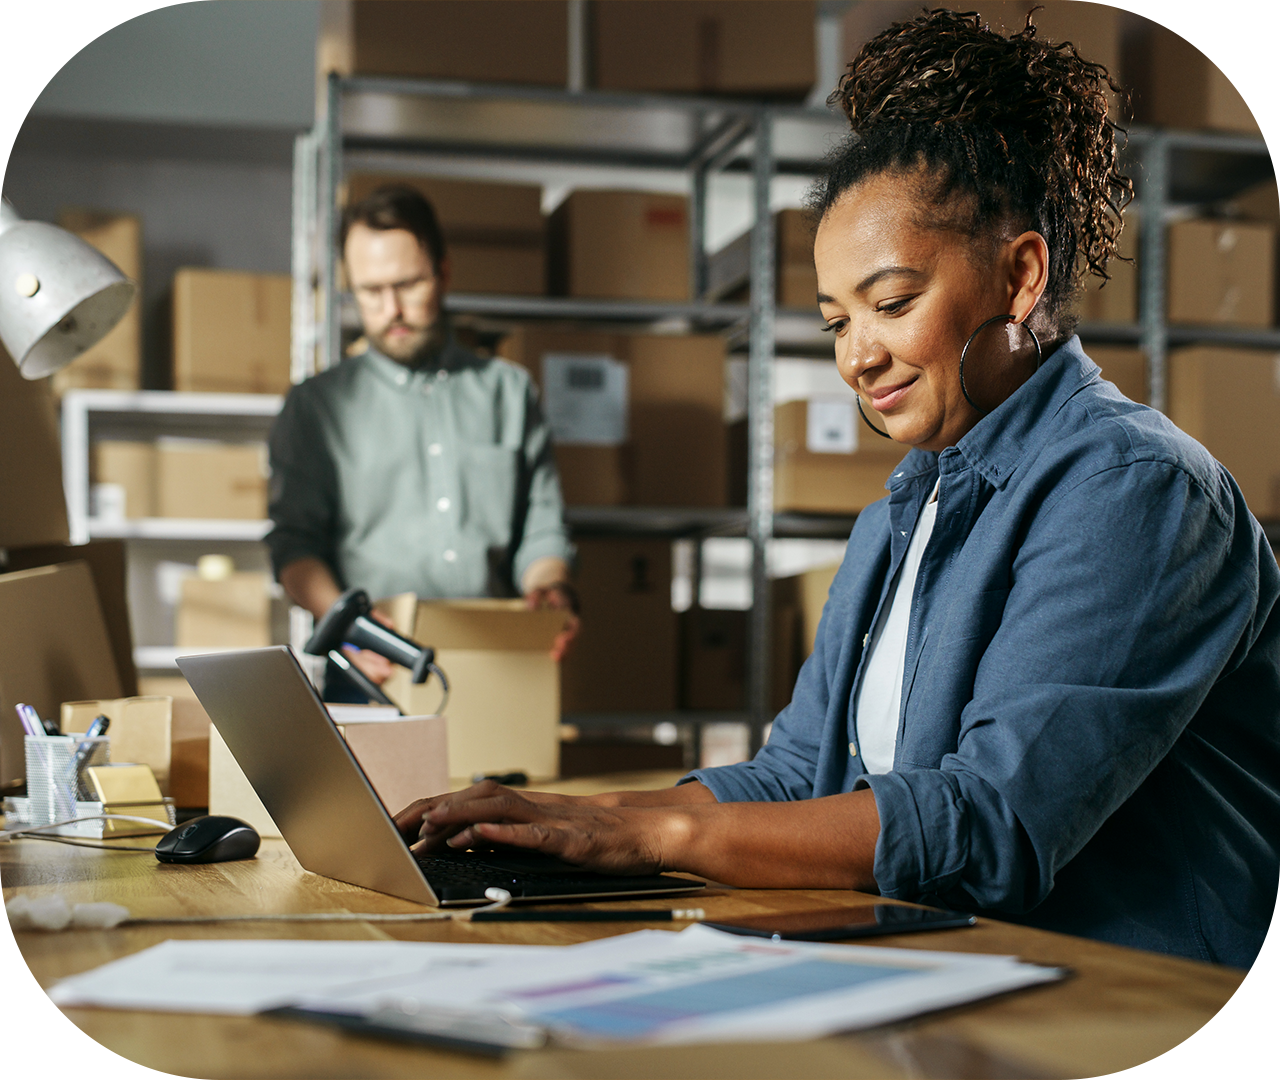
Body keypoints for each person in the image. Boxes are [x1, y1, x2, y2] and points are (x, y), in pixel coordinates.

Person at [393, 11, 1280, 967]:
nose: (857, 356)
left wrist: (656, 836)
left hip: (1158, 1003)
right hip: (975, 970)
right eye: (834, 322)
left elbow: (990, 825)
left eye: (892, 303)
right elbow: (793, 777)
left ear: (1022, 274)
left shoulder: (1135, 490)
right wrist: (567, 819)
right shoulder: (905, 512)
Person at [267, 185, 578, 694]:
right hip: (373, 670)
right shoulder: (315, 407)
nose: (391, 309)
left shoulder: (509, 391)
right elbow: (293, 546)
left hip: (497, 668)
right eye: (370, 291)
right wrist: (347, 624)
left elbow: (542, 530)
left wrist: (550, 589)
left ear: (444, 273)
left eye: (408, 284)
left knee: (507, 778)